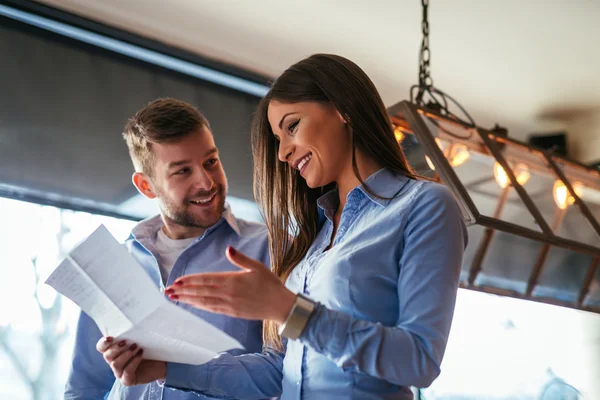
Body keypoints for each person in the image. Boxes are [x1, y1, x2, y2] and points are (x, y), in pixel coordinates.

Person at [97, 54, 468, 399]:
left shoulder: (424, 206)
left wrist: (290, 310)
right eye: (278, 139)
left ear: (343, 109)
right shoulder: (317, 237)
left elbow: (420, 360)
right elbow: (279, 370)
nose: (283, 152)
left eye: (292, 127)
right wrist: (166, 367)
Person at [64, 98, 270, 400]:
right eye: (182, 171)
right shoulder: (115, 264)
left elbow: (283, 372)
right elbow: (83, 388)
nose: (206, 181)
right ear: (146, 186)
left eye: (211, 161)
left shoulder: (267, 250)